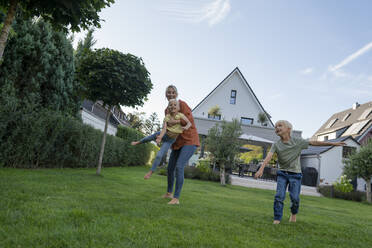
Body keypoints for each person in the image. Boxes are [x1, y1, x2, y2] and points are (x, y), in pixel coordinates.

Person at [254, 120, 345, 224]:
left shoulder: (298, 141)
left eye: (280, 126)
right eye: (275, 127)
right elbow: (269, 157)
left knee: (295, 198)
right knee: (279, 196)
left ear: (288, 129)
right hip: (282, 173)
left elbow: (314, 142)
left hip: (295, 175)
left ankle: (293, 214)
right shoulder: (276, 144)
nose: (277, 128)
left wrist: (333, 143)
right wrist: (261, 169)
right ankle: (277, 218)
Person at [131, 99, 191, 179]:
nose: (173, 106)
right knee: (149, 138)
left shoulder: (180, 116)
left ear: (178, 108)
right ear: (168, 107)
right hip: (164, 134)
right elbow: (164, 129)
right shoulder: (167, 117)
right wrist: (160, 137)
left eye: (175, 105)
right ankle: (138, 142)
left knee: (159, 155)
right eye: (171, 105)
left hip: (170, 141)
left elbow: (189, 123)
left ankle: (150, 172)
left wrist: (185, 127)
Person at [162, 85, 200, 205]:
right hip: (177, 142)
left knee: (179, 166)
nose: (171, 94)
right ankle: (169, 193)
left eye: (173, 92)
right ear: (166, 95)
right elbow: (168, 127)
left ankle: (176, 198)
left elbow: (189, 119)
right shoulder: (166, 110)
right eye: (169, 92)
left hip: (189, 140)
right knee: (170, 168)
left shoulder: (182, 104)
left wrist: (176, 121)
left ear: (176, 94)